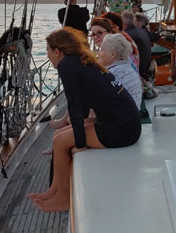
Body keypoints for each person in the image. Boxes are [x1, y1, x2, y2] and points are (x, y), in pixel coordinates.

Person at [29, 28, 141, 212]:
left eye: (48, 50)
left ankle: (64, 198)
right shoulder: (83, 61)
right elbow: (80, 104)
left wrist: (79, 143)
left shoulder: (67, 66)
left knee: (60, 143)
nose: (47, 55)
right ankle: (54, 191)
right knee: (60, 135)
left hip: (121, 130)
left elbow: (75, 106)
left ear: (58, 51)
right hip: (125, 123)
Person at [96, 34, 143, 108]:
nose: (98, 54)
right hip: (132, 116)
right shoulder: (129, 69)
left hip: (119, 117)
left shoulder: (111, 75)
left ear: (112, 54)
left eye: (101, 50)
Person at [122, 11, 152, 80]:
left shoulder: (127, 35)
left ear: (123, 23)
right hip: (146, 66)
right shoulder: (141, 31)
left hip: (139, 68)